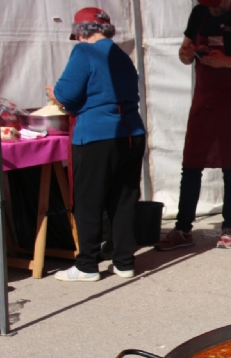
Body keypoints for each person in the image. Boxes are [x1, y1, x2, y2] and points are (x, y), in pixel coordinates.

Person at [156, 0, 231, 251]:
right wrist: (185, 55)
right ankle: (183, 229)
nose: (211, 9)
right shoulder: (198, 14)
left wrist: (225, 60)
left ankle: (230, 226)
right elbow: (185, 51)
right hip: (204, 98)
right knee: (191, 163)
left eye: (215, 5)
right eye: (207, 5)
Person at [46, 7, 146, 281]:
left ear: (80, 32)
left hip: (97, 135)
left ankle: (87, 265)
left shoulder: (83, 52)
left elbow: (68, 93)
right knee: (124, 198)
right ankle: (124, 262)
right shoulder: (122, 56)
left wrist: (55, 94)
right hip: (131, 132)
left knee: (89, 200)